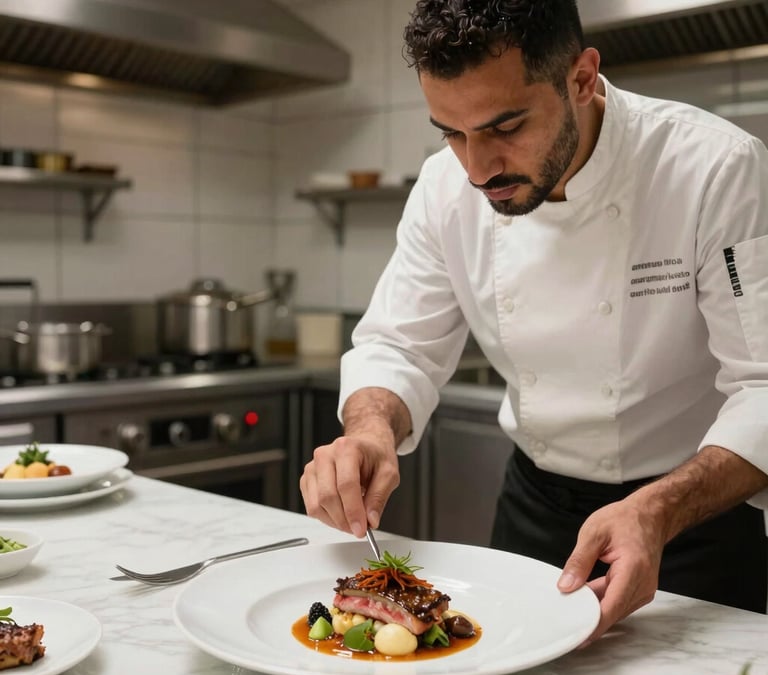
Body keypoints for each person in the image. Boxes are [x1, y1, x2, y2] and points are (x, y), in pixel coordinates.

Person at [299, 0, 768, 641]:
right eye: (451, 132)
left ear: (580, 78)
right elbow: (399, 345)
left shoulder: (711, 166)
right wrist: (370, 431)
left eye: (505, 126)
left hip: (692, 519)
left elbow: (764, 385)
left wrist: (657, 511)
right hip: (534, 510)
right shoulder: (443, 188)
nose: (476, 168)